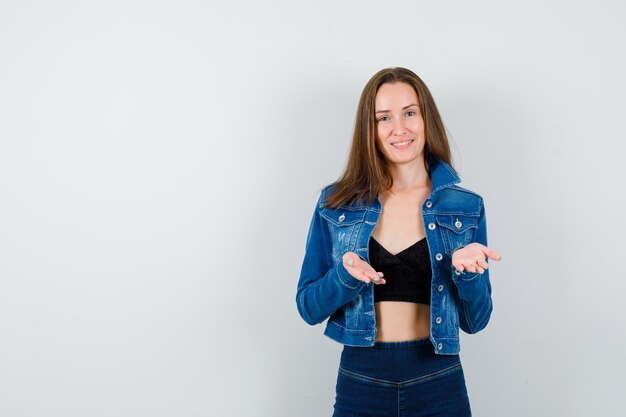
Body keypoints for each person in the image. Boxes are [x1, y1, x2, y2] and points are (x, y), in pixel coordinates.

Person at [295, 67, 502, 416]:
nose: (399, 129)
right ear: (371, 129)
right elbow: (308, 307)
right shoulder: (335, 204)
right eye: (384, 118)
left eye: (409, 113)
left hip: (438, 379)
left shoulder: (465, 208)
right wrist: (345, 277)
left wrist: (468, 274)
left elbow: (475, 321)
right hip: (362, 381)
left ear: (426, 118)